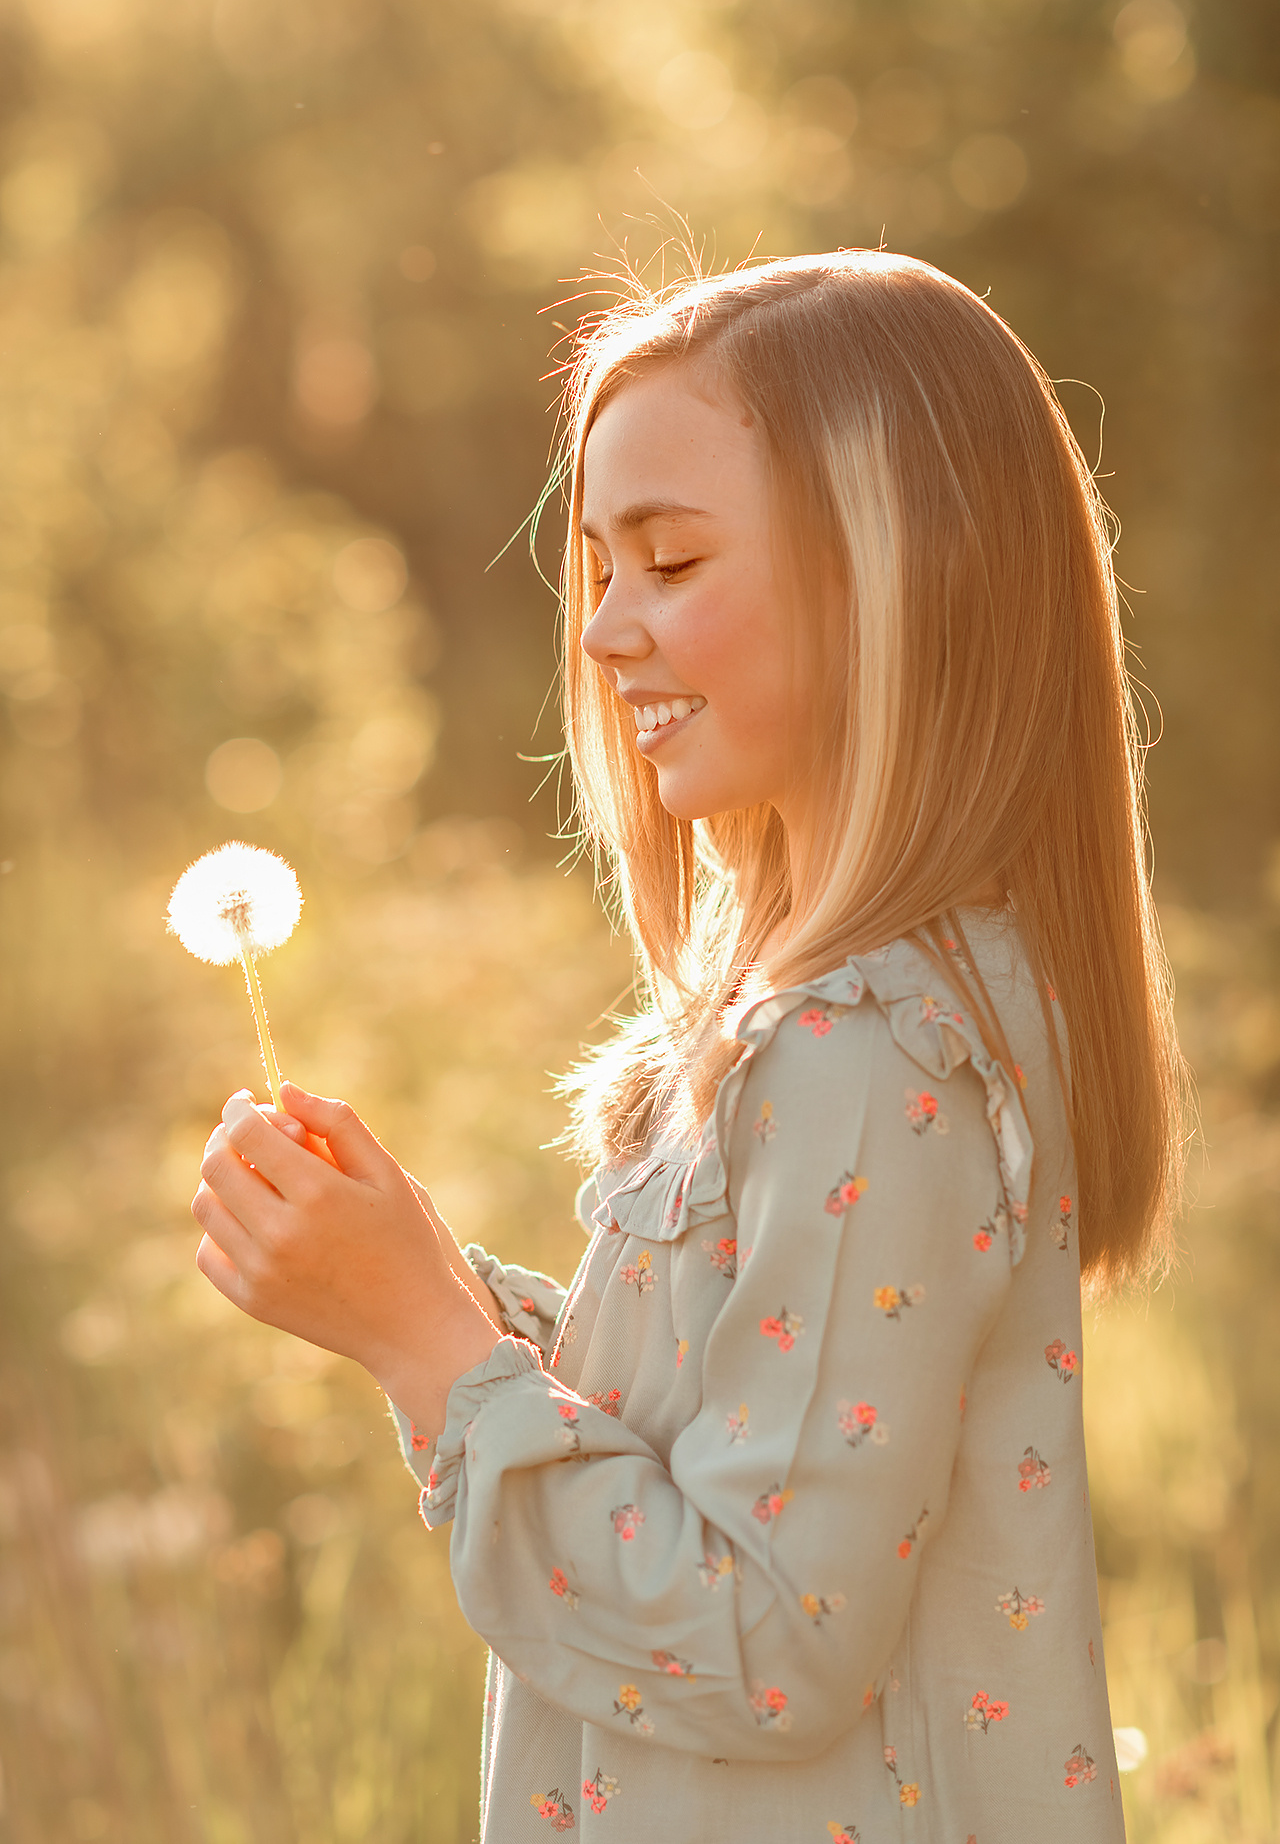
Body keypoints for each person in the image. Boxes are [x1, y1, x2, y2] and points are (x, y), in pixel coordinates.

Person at [193, 250, 1187, 1841]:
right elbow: (725, 1458)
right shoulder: (883, 1011)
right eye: (596, 566)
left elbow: (763, 1642)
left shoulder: (870, 1054)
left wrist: (426, 1348)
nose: (603, 633)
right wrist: (429, 1289)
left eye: (666, 560)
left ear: (897, 576)